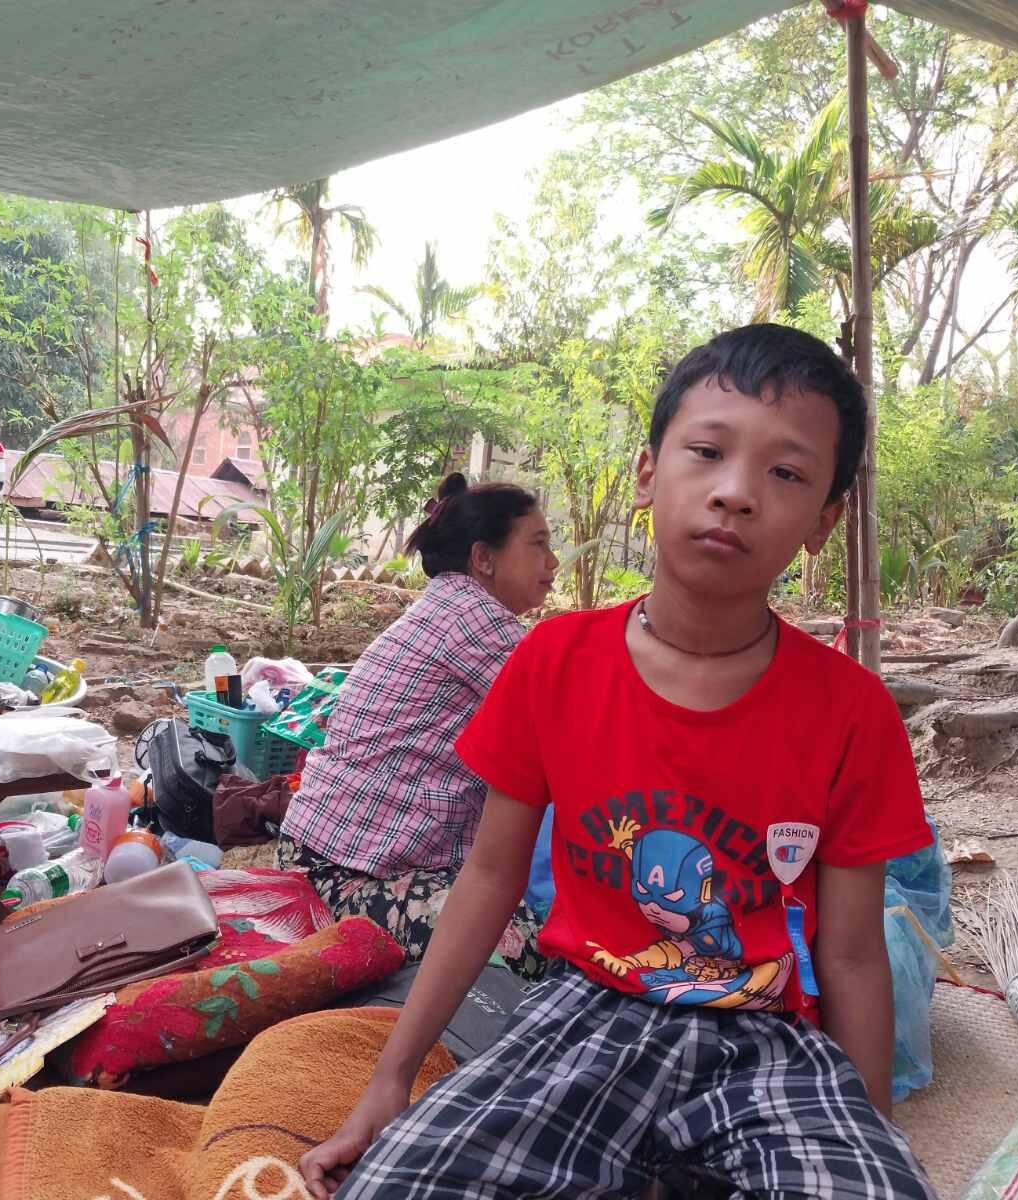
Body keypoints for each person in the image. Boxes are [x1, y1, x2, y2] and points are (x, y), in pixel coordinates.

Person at [301, 324, 936, 1200]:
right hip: (585, 1012)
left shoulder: (851, 711)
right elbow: (487, 878)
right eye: (707, 451)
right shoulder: (554, 661)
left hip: (766, 1037)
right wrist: (388, 1080)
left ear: (825, 520)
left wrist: (873, 1138)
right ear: (648, 475)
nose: (736, 493)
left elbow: (857, 955)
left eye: (786, 473)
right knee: (398, 1185)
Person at [277, 472, 559, 980]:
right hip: (343, 874)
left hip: (333, 853)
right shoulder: (472, 620)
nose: (552, 563)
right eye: (538, 545)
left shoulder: (450, 606)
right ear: (483, 558)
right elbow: (572, 725)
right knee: (526, 945)